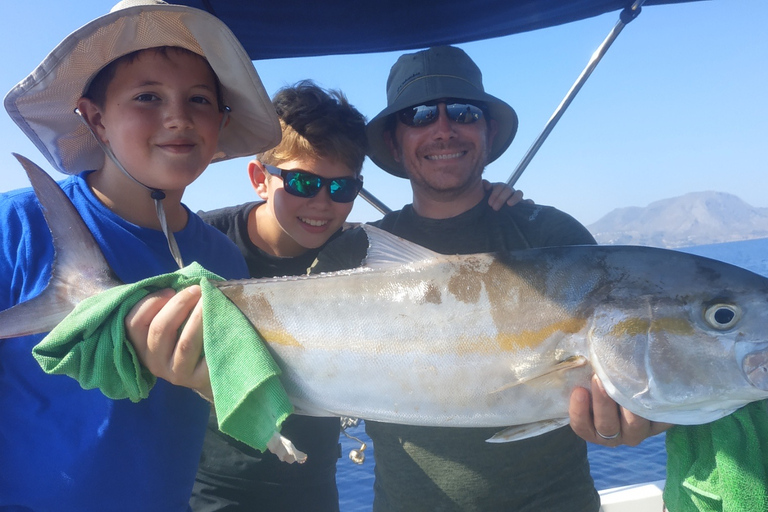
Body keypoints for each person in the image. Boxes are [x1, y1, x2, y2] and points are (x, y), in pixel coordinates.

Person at [126, 80, 525, 511]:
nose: (321, 204)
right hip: (209, 487)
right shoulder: (194, 245)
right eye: (301, 183)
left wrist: (493, 204)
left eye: (341, 189)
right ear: (261, 178)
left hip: (314, 484)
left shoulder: (359, 255)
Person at [306, 45, 669, 511]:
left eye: (461, 111)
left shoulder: (551, 235)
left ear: (487, 129)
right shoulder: (351, 254)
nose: (442, 129)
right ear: (395, 142)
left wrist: (636, 413)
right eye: (419, 115)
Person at [0, 1, 280, 510]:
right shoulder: (13, 227)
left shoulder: (225, 261)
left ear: (221, 121)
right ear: (96, 119)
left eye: (199, 99)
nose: (177, 117)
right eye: (147, 96)